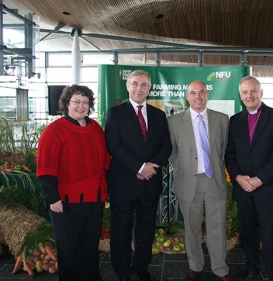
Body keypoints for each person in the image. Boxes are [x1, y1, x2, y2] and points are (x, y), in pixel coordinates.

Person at [36, 85, 111, 281]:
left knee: (90, 249)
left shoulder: (96, 129)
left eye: (85, 102)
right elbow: (45, 169)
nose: (81, 106)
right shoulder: (54, 131)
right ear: (66, 104)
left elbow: (106, 162)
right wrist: (53, 199)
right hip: (65, 204)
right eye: (76, 101)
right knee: (69, 252)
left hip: (93, 201)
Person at [105, 69, 172, 281]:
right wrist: (140, 167)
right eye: (134, 84)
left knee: (146, 229)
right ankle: (123, 271)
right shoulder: (115, 113)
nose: (139, 88)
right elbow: (114, 146)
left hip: (150, 183)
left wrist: (151, 167)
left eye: (143, 85)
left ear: (149, 88)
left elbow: (166, 146)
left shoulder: (158, 115)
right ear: (127, 86)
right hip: (123, 183)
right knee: (121, 230)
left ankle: (141, 266)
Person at [225, 76, 273, 281]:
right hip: (244, 189)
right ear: (240, 95)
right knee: (248, 235)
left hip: (268, 188)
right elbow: (230, 155)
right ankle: (252, 268)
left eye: (253, 91)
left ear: (261, 93)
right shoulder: (235, 120)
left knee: (271, 237)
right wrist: (238, 177)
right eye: (245, 92)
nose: (249, 95)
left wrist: (259, 179)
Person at [168, 80, 233, 281]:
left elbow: (224, 150)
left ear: (207, 95)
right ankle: (195, 266)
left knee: (218, 227)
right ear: (187, 96)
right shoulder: (173, 121)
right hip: (188, 183)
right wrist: (184, 168)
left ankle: (220, 268)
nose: (198, 96)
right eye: (193, 93)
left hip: (214, 181)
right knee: (192, 228)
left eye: (202, 92)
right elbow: (171, 152)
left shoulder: (222, 119)